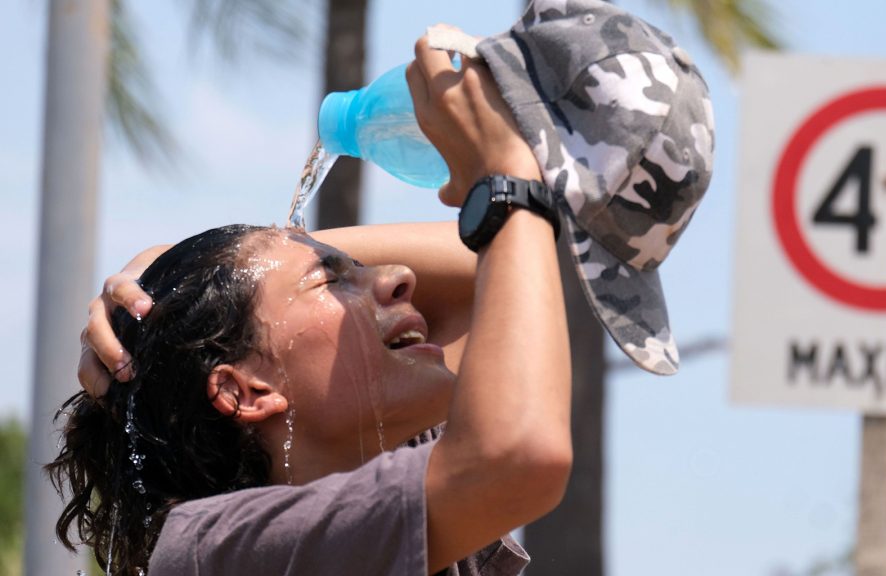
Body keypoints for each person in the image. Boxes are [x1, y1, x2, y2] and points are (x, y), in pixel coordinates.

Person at [51, 33, 571, 576]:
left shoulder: (387, 471)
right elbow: (518, 452)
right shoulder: (215, 552)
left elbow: (506, 267)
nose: (401, 279)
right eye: (331, 280)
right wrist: (506, 175)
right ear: (243, 389)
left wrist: (210, 257)